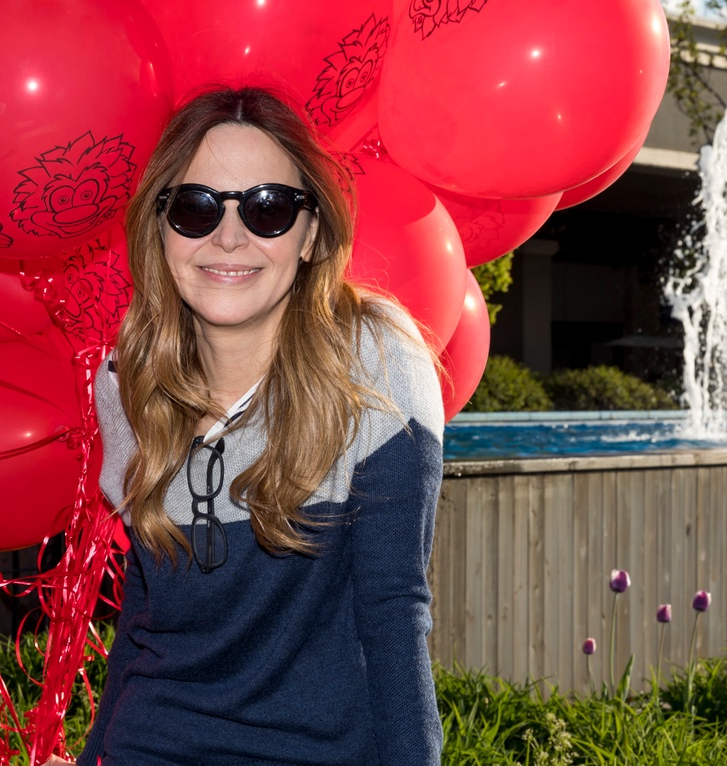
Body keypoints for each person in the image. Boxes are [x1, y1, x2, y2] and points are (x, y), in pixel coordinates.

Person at [68, 87, 445, 765]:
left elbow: (394, 616)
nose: (229, 236)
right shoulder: (129, 381)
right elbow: (146, 620)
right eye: (195, 207)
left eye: (268, 208)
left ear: (311, 234)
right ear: (161, 230)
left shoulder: (377, 359)